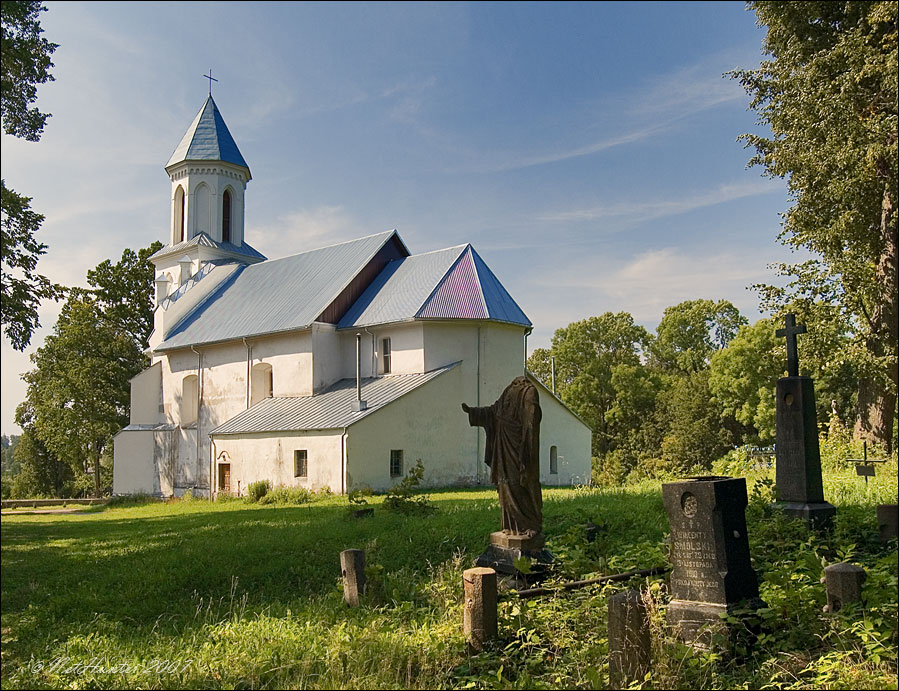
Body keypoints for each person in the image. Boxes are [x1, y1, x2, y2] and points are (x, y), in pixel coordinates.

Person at [462, 376, 543, 536]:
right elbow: (494, 411)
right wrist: (473, 412)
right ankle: (511, 526)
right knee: (505, 484)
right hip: (503, 450)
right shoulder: (508, 392)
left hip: (518, 449)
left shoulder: (529, 392)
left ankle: (529, 524)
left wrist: (527, 448)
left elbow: (532, 419)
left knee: (519, 484)